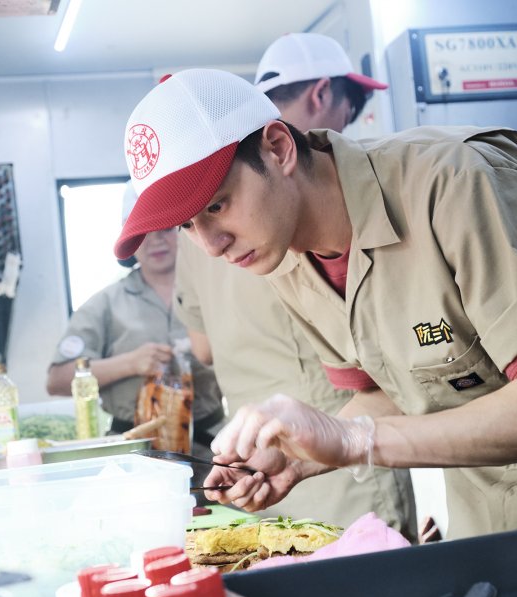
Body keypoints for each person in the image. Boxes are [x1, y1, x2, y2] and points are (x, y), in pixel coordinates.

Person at [114, 68, 517, 539]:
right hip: (491, 513)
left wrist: (356, 441)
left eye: (216, 206)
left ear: (278, 147)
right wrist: (304, 454)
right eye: (187, 226)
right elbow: (388, 386)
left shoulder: (455, 183)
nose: (210, 245)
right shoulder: (284, 258)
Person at [173, 33, 417, 538]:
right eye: (351, 107)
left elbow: (203, 347)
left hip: (275, 458)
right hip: (331, 467)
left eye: (219, 206)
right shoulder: (294, 213)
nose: (215, 244)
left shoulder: (423, 180)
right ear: (323, 93)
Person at [47, 183, 224, 459]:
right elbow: (57, 380)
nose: (156, 241)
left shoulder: (215, 291)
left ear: (185, 228)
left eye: (166, 229)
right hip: (134, 451)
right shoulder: (105, 304)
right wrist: (129, 364)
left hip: (213, 447)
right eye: (144, 233)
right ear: (130, 239)